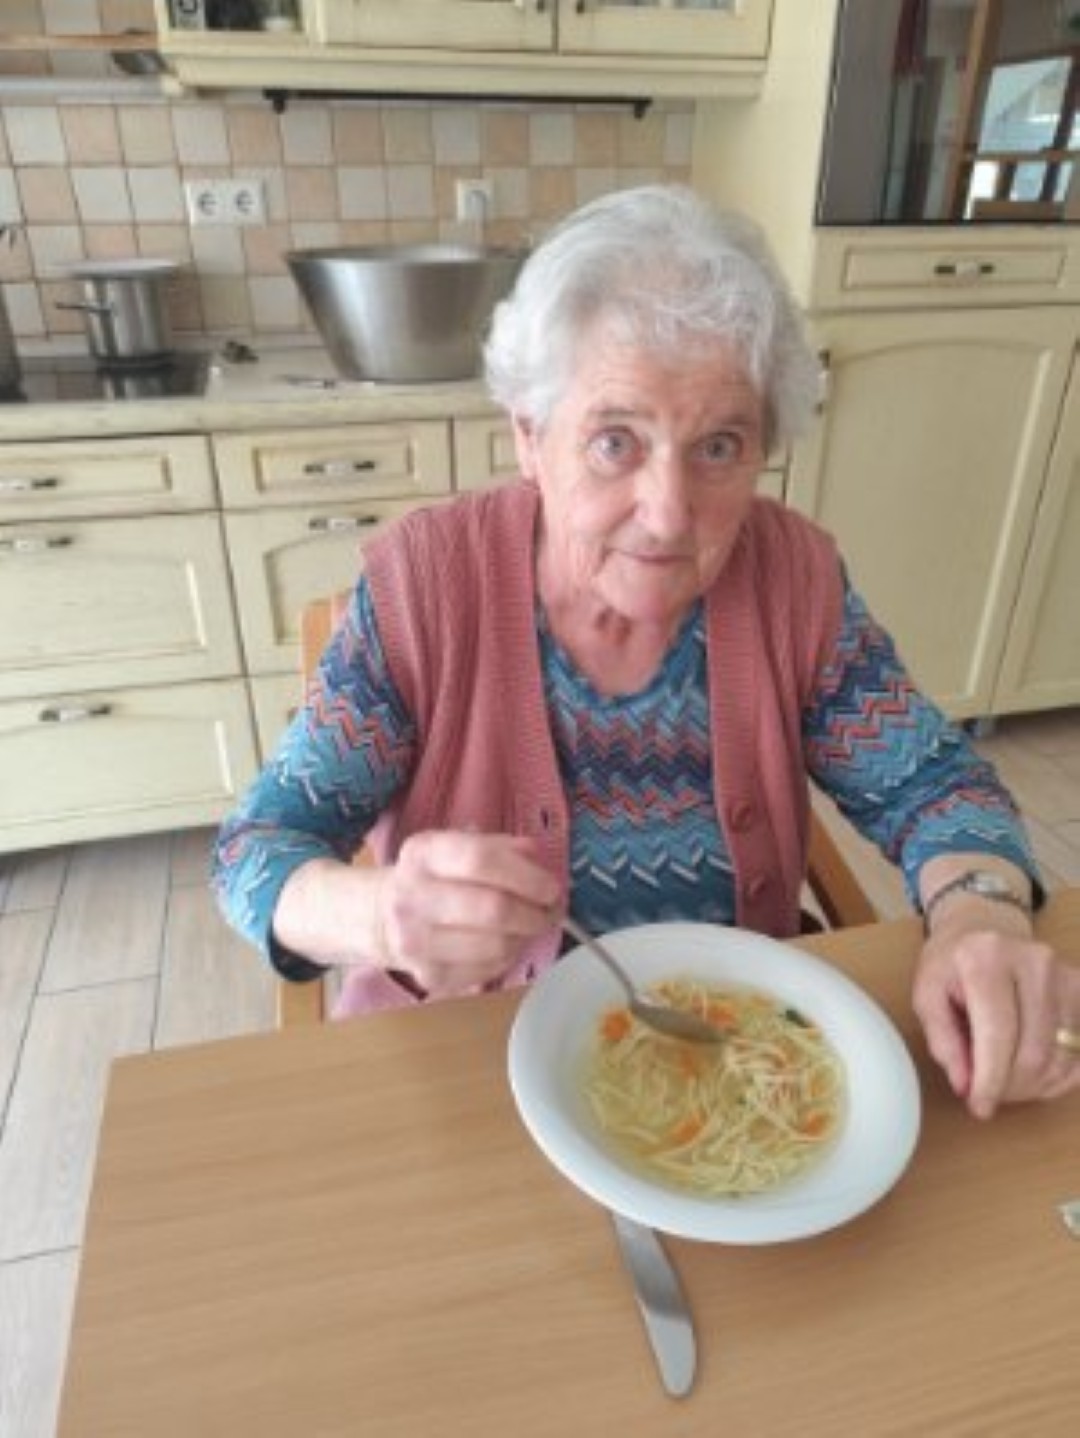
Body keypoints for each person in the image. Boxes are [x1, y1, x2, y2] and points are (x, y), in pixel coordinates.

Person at [213, 183, 1080, 1119]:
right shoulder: (427, 590)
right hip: (469, 1067)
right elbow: (257, 852)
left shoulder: (794, 580)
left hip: (735, 1066)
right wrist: (378, 914)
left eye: (719, 447)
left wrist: (980, 914)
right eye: (615, 441)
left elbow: (935, 787)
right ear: (530, 436)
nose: (668, 514)